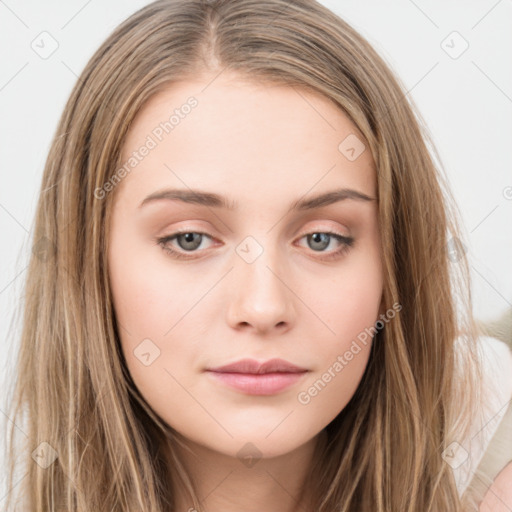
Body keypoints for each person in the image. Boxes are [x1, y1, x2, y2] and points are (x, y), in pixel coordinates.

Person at [3, 0, 511, 510]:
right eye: (189, 239)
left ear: (393, 263)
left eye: (322, 239)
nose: (263, 307)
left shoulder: (489, 450)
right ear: (92, 262)